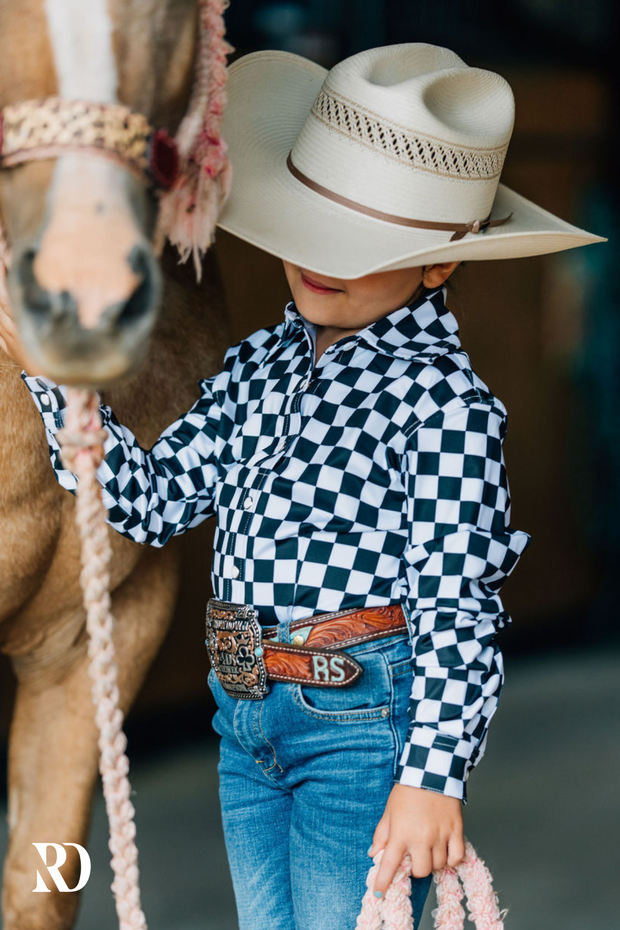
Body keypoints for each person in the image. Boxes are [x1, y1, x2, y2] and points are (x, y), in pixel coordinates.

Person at [0, 44, 603, 930]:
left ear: (441, 263)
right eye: (311, 229)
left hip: (360, 724)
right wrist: (59, 381)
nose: (323, 262)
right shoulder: (256, 367)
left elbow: (454, 605)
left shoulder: (444, 407)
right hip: (246, 720)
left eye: (365, 245)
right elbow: (154, 501)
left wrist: (432, 778)